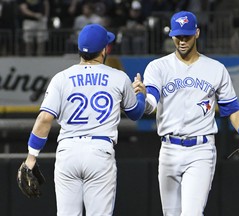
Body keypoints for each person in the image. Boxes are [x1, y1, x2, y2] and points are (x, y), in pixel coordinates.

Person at [134, 11, 239, 215]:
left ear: (197, 33)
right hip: (169, 149)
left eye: (186, 36)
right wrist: (141, 96)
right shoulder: (158, 67)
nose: (182, 41)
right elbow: (150, 105)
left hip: (201, 151)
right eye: (178, 36)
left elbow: (233, 109)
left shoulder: (215, 68)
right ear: (171, 35)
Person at [20, 24, 146, 215]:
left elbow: (44, 118)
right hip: (99, 152)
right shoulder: (118, 77)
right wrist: (141, 94)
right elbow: (136, 113)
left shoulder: (61, 78)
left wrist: (30, 159)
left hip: (68, 152)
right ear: (105, 50)